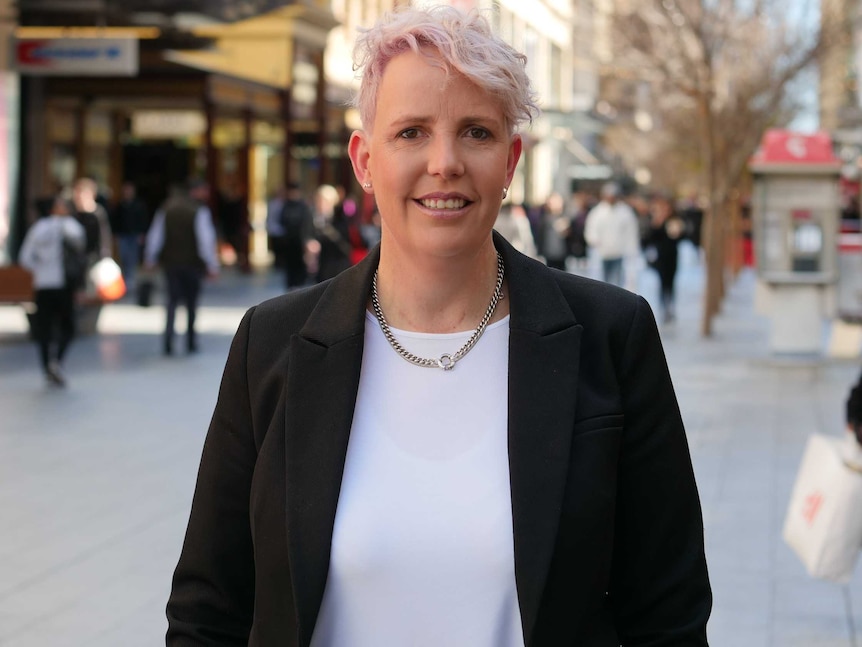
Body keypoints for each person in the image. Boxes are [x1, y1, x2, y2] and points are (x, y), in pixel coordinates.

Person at [166, 6, 711, 646]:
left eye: (476, 132)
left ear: (510, 162)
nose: (445, 162)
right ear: (364, 160)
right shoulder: (273, 344)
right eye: (411, 132)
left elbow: (667, 613)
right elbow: (210, 611)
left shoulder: (611, 336)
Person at [144, 179, 219, 356]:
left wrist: (150, 258)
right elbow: (205, 241)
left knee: (172, 302)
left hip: (171, 263)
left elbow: (156, 235)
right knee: (191, 303)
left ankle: (168, 341)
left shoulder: (167, 208)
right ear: (195, 191)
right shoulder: (199, 210)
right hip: (192, 264)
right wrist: (211, 264)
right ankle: (190, 341)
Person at [18, 191, 86, 386]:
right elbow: (81, 245)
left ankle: (47, 365)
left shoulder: (38, 229)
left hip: (43, 284)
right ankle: (57, 362)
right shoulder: (69, 226)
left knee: (44, 328)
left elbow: (25, 259)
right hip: (63, 285)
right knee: (68, 326)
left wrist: (40, 269)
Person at [584, 181, 640, 288]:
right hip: (602, 253)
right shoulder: (598, 212)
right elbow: (591, 231)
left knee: (617, 283)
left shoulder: (625, 212)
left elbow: (631, 233)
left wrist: (631, 250)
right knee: (602, 283)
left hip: (619, 253)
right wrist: (595, 242)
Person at [644, 193, 685, 323]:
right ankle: (663, 307)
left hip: (672, 256)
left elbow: (679, 237)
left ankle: (670, 307)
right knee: (662, 282)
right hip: (660, 257)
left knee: (671, 282)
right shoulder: (656, 222)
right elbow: (648, 239)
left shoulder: (674, 221)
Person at [110, 181, 150, 291]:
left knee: (132, 259)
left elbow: (143, 220)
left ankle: (130, 282)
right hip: (123, 235)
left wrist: (142, 234)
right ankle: (123, 282)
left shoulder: (139, 205)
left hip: (134, 236)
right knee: (123, 258)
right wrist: (115, 234)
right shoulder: (120, 205)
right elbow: (115, 221)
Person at [279, 182, 315, 289]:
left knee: (301, 266)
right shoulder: (286, 206)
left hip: (301, 242)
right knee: (290, 266)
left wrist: (307, 239)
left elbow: (308, 224)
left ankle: (300, 284)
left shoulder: (303, 207)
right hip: (289, 242)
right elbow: (282, 220)